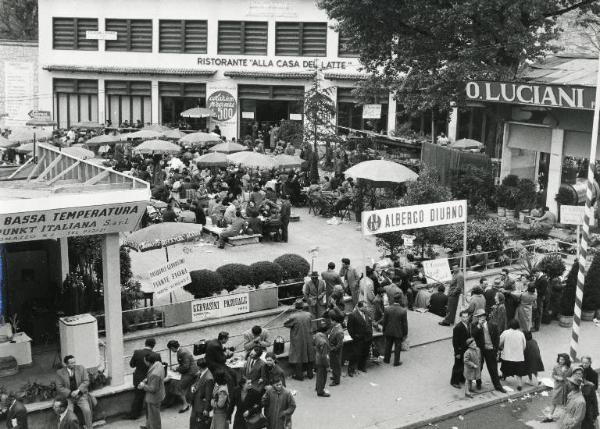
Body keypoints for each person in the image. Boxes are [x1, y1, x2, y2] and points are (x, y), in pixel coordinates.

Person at [471, 309, 506, 393]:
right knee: (479, 367)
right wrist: (479, 325)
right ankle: (478, 383)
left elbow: (497, 339)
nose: (480, 318)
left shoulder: (493, 325)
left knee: (493, 369)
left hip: (490, 350)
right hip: (480, 350)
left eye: (481, 316)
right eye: (478, 317)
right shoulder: (474, 325)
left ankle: (498, 386)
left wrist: (496, 350)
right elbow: (473, 334)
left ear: (485, 317)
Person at [56, 355, 94, 429]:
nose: (74, 364)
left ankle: (90, 427)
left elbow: (86, 381)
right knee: (69, 414)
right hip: (68, 398)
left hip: (81, 396)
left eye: (74, 362)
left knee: (87, 410)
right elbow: (59, 387)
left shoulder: (81, 368)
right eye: (71, 363)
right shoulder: (60, 373)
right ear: (66, 364)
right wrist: (70, 393)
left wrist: (78, 390)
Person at [283, 299, 315, 381]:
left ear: (296, 307)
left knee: (298, 356)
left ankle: (299, 375)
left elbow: (285, 324)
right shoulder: (308, 314)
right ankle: (310, 374)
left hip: (297, 338)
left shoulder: (293, 316)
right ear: (303, 306)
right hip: (308, 337)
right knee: (309, 354)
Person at [167, 340, 199, 413]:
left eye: (171, 349)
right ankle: (172, 401)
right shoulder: (181, 351)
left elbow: (185, 367)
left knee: (179, 386)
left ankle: (185, 404)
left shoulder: (183, 353)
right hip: (188, 371)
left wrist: (176, 369)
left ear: (172, 347)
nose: (171, 351)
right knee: (173, 382)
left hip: (191, 372)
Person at [128, 338, 156, 419]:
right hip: (150, 379)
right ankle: (150, 415)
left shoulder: (137, 352)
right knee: (150, 398)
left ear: (145, 343)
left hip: (138, 378)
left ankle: (134, 415)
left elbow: (131, 365)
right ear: (153, 345)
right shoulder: (156, 355)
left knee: (138, 397)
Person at [139, 352, 166, 429]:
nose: (144, 362)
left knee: (154, 415)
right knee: (151, 413)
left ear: (148, 362)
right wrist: (148, 379)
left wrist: (143, 386)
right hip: (160, 393)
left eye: (145, 361)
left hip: (154, 398)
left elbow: (153, 389)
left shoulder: (154, 373)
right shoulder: (158, 364)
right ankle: (148, 426)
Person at [346, 301, 373, 376]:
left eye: (366, 307)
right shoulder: (353, 315)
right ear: (359, 307)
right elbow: (350, 328)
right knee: (355, 354)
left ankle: (361, 367)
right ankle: (351, 370)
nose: (366, 308)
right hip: (359, 339)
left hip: (367, 338)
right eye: (365, 307)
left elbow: (369, 324)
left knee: (365, 353)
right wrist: (354, 336)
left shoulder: (366, 313)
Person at [499, 319, 527, 391]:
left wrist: (501, 348)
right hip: (518, 357)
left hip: (507, 356)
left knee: (504, 367)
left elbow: (499, 342)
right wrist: (521, 352)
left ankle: (503, 377)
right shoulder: (521, 334)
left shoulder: (505, 332)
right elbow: (524, 345)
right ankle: (519, 384)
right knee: (518, 372)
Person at [545, 353, 573, 422]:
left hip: (566, 387)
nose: (561, 361)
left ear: (566, 360)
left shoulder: (570, 368)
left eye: (563, 359)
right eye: (560, 359)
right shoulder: (556, 367)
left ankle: (567, 416)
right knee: (554, 401)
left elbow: (571, 378)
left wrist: (564, 376)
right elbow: (553, 375)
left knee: (566, 402)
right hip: (558, 387)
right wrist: (557, 377)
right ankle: (550, 416)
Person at [382, 294, 408, 366]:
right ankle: (396, 362)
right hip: (398, 332)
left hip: (389, 331)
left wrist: (384, 330)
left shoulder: (387, 309)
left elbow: (385, 321)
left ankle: (386, 359)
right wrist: (405, 334)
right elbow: (405, 324)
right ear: (399, 300)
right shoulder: (403, 311)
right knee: (397, 347)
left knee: (388, 345)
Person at [189, 358, 214, 429]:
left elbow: (208, 395)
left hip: (201, 406)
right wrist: (193, 386)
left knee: (200, 425)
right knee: (194, 423)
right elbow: (197, 383)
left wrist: (206, 409)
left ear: (199, 367)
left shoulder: (209, 378)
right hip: (197, 402)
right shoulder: (202, 373)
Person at [450, 310, 471, 388]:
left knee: (463, 365)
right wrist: (457, 353)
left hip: (465, 349)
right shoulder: (458, 327)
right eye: (463, 317)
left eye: (466, 317)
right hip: (460, 350)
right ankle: (454, 381)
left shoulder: (468, 325)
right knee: (458, 366)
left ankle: (461, 379)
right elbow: (455, 342)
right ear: (461, 317)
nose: (465, 318)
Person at [328, 312, 345, 387]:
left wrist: (333, 349)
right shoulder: (335, 327)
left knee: (336, 365)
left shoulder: (339, 331)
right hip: (333, 350)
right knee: (333, 365)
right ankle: (335, 375)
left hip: (335, 351)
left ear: (335, 321)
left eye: (331, 320)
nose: (330, 322)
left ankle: (336, 380)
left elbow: (340, 344)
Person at [313, 325, 331, 397]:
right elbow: (324, 356)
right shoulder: (324, 342)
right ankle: (320, 392)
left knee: (319, 375)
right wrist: (327, 366)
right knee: (322, 377)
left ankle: (317, 387)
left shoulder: (317, 335)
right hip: (321, 361)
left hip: (317, 358)